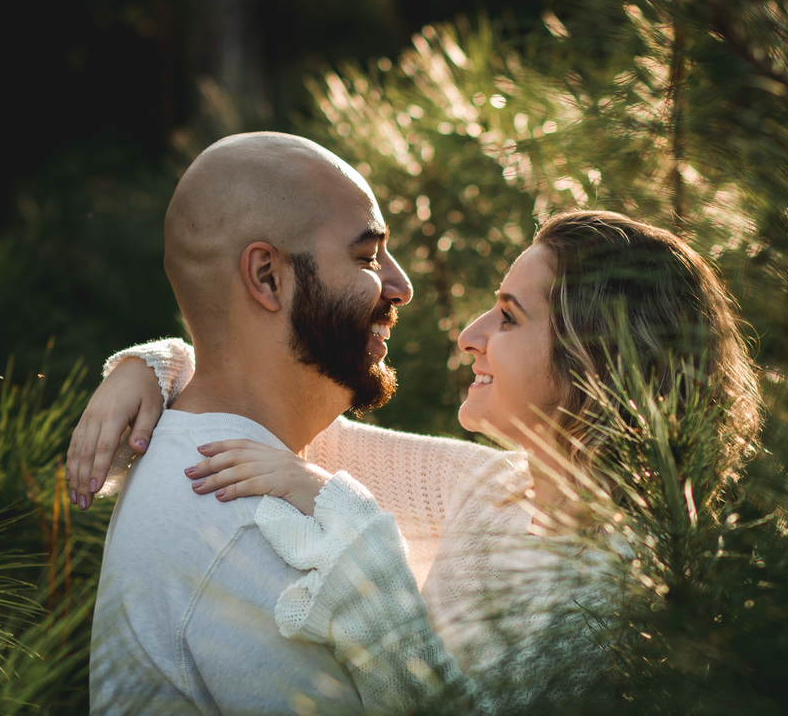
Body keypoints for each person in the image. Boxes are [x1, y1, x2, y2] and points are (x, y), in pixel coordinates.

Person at [74, 210, 760, 713]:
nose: (470, 336)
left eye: (509, 317)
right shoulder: (496, 490)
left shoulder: (616, 590)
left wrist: (368, 568)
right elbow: (302, 432)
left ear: (595, 361)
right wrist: (157, 366)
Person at [85, 131, 527, 715]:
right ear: (267, 277)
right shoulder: (249, 521)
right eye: (367, 257)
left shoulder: (246, 459)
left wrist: (159, 363)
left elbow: (497, 487)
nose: (402, 286)